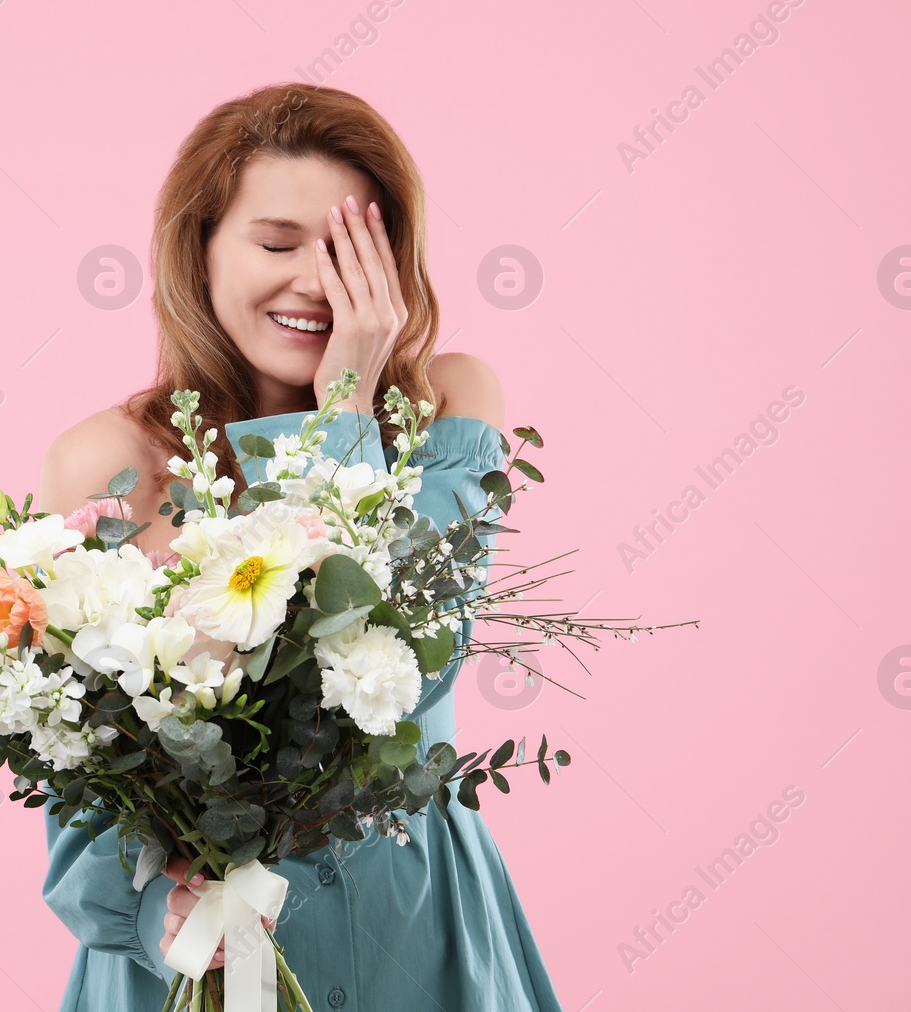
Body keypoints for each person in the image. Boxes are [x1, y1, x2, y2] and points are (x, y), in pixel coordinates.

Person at [35, 82, 562, 1011]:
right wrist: (166, 914)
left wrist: (346, 409)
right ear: (197, 251)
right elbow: (75, 781)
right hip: (190, 955)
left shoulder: (448, 406)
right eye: (277, 244)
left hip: (416, 930)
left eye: (351, 251)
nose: (317, 283)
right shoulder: (110, 464)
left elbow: (407, 670)